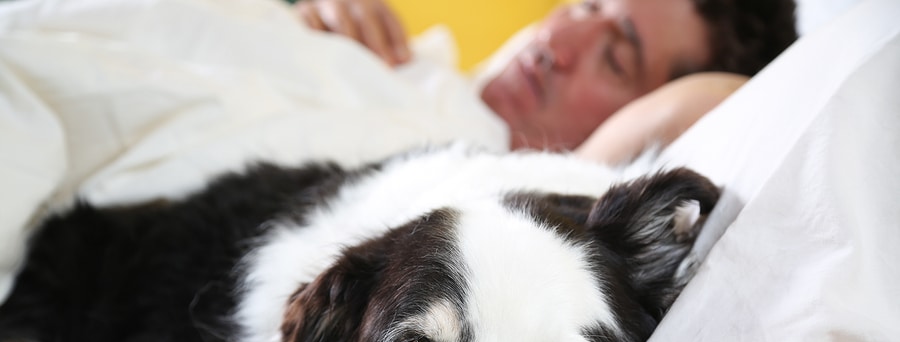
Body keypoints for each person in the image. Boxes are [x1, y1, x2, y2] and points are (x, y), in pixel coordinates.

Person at [294, 0, 797, 162]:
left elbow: (710, 103)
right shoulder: (401, 53)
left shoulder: (468, 187)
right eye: (586, 5)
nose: (556, 41)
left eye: (614, 59)